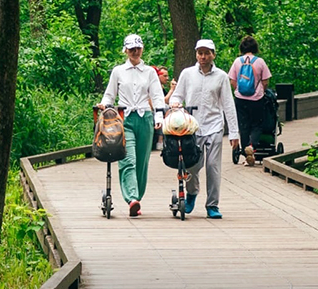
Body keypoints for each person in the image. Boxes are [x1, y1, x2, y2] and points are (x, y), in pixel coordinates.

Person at [169, 39, 240, 219]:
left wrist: (234, 133)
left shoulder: (221, 77)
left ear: (213, 55)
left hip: (214, 126)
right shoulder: (187, 74)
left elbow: (228, 106)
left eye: (207, 53)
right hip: (192, 127)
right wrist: (176, 104)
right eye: (200, 53)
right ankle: (192, 193)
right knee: (192, 165)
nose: (203, 57)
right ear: (196, 55)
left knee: (213, 167)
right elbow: (177, 95)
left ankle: (212, 205)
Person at [98, 34, 165, 217]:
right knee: (128, 159)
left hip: (145, 118)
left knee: (142, 161)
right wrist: (105, 105)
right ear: (125, 51)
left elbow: (157, 95)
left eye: (138, 49)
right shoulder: (118, 71)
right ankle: (132, 198)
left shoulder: (150, 72)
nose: (135, 52)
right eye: (131, 49)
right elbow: (109, 94)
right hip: (124, 118)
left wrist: (159, 115)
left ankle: (138, 196)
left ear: (142, 49)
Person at [227, 35, 272, 166]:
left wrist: (239, 90)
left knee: (243, 124)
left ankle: (245, 147)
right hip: (256, 99)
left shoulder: (237, 61)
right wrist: (261, 91)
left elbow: (232, 80)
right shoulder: (260, 62)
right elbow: (265, 81)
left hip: (240, 99)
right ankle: (252, 147)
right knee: (257, 124)